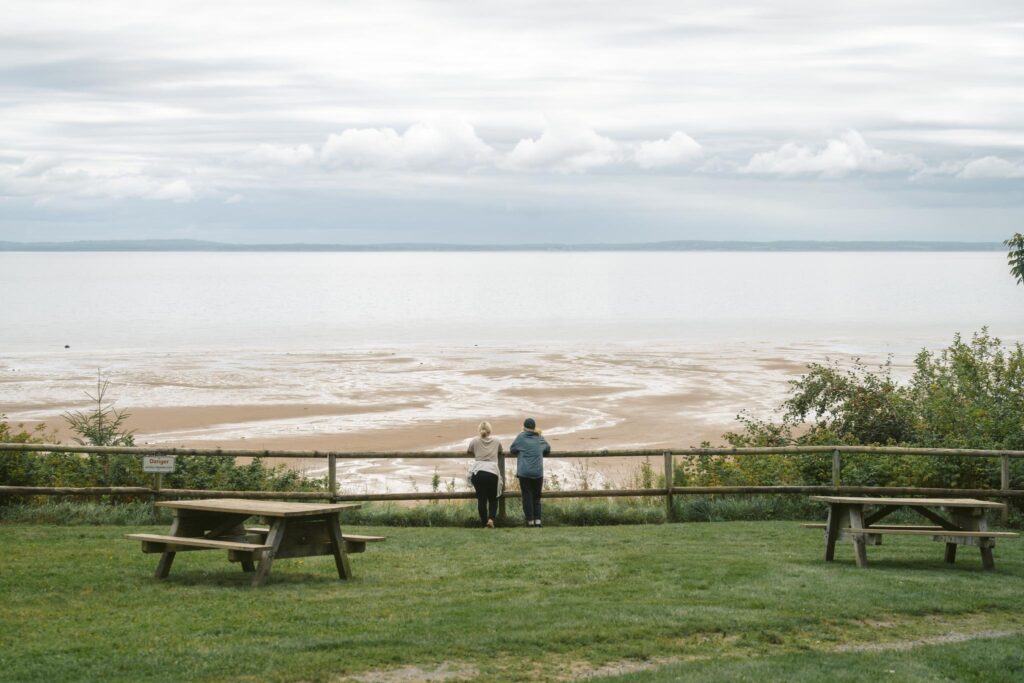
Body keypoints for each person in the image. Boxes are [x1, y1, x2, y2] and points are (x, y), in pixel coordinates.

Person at [510, 417, 550, 527]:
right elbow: (547, 448)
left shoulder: (520, 438)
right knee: (537, 497)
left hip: (524, 472)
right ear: (534, 428)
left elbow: (512, 449)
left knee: (527, 496)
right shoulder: (540, 438)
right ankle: (538, 521)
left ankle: (530, 521)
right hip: (538, 472)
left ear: (524, 427)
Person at [467, 421, 503, 528]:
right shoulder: (496, 441)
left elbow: (469, 451)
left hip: (478, 472)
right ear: (489, 430)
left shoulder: (475, 440)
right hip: (492, 472)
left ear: (479, 430)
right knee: (493, 498)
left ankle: (484, 522)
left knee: (481, 499)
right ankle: (491, 519)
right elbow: (501, 451)